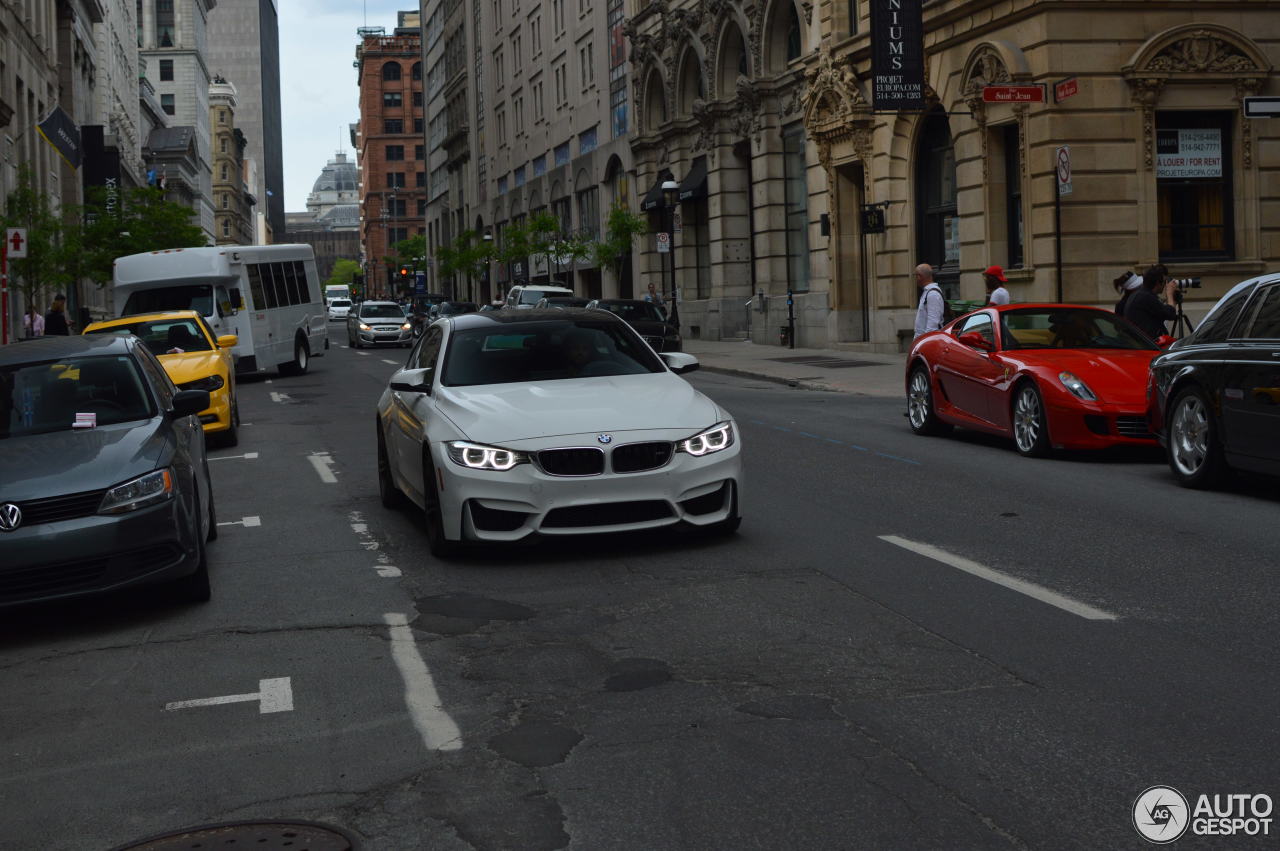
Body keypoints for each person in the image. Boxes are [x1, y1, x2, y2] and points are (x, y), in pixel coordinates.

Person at [1123, 264, 1178, 340]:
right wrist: (1170, 294)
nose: (1165, 285)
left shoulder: (1141, 294)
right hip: (1145, 345)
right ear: (1158, 283)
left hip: (1141, 342)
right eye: (1164, 282)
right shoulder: (1146, 297)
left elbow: (1161, 311)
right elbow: (1170, 314)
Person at [913, 263, 945, 339]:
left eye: (915, 276)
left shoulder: (932, 294)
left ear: (919, 276)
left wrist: (925, 343)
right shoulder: (927, 292)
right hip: (921, 341)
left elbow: (933, 324)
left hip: (926, 342)